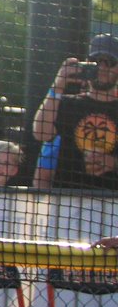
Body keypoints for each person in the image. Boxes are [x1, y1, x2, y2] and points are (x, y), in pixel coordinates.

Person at [31, 33, 118, 190]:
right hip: (68, 199)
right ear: (87, 64)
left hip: (113, 202)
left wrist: (114, 163)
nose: (103, 67)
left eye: (110, 62)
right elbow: (40, 133)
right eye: (96, 62)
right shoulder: (67, 103)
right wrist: (58, 85)